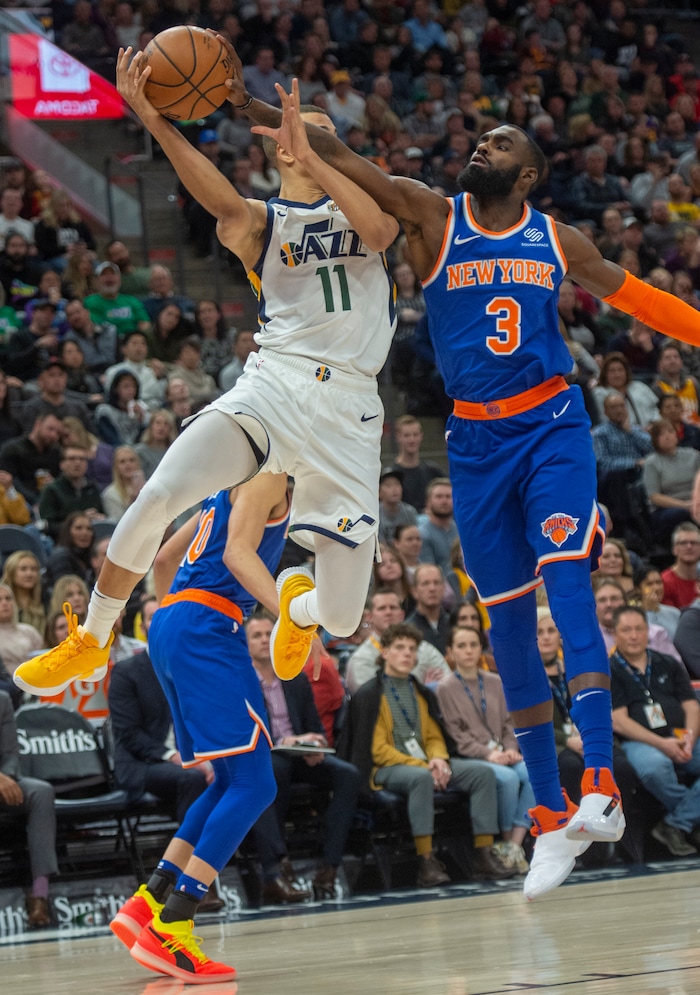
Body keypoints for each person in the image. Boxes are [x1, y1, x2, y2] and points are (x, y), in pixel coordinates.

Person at [227, 75, 700, 902]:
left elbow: (641, 301)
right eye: (484, 138)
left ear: (527, 178)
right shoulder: (430, 215)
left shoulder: (557, 239)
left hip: (552, 426)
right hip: (475, 441)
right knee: (510, 627)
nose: (485, 145)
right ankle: (552, 816)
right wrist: (249, 109)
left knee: (569, 585)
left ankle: (602, 785)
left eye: (504, 145)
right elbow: (335, 145)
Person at [14, 49, 399, 719]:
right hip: (273, 385)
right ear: (274, 151)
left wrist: (320, 157)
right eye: (291, 131)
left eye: (315, 130)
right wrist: (157, 123)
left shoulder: (364, 211)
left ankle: (298, 607)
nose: (300, 137)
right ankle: (94, 635)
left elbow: (380, 229)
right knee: (159, 493)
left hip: (350, 410)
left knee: (341, 617)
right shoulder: (264, 223)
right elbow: (216, 198)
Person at [109, 472, 289, 982]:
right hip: (209, 626)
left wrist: (179, 618)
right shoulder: (273, 477)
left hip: (170, 623)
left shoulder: (222, 492)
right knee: (256, 784)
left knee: (233, 780)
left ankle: (150, 902)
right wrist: (295, 618)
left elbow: (164, 559)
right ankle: (175, 923)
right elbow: (237, 556)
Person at [339, 622, 515, 887]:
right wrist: (425, 765)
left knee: (481, 773)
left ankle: (483, 852)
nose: (407, 654)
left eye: (412, 649)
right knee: (420, 778)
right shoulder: (369, 694)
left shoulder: (419, 691)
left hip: (424, 763)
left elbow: (434, 736)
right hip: (386, 767)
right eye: (399, 648)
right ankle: (427, 861)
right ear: (384, 652)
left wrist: (439, 760)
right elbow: (378, 750)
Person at [246, 612, 361, 903]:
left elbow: (314, 727)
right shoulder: (241, 682)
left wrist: (315, 745)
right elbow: (248, 734)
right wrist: (288, 741)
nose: (263, 641)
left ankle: (330, 866)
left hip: (300, 756)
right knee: (274, 769)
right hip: (263, 757)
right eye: (256, 636)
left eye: (267, 635)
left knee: (347, 774)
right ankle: (276, 866)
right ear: (245, 644)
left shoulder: (293, 677)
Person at [437, 626, 534, 874]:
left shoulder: (496, 681)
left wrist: (511, 748)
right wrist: (489, 754)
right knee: (509, 778)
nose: (468, 651)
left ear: (481, 648)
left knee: (533, 772)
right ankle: (503, 839)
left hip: (504, 751)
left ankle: (514, 843)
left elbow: (509, 723)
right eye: (461, 646)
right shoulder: (445, 687)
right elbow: (455, 734)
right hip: (474, 756)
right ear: (450, 652)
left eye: (473, 644)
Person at [610, 605, 700, 858]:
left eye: (639, 628)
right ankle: (689, 820)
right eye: (626, 630)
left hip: (684, 737)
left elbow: (692, 705)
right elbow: (619, 721)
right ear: (615, 633)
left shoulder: (668, 663)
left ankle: (675, 823)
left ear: (648, 631)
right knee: (653, 768)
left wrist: (689, 740)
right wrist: (663, 745)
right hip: (639, 742)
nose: (634, 635)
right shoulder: (610, 670)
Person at [0, 689, 58, 928]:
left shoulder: (2, 699)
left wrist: (5, 775)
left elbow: (11, 753)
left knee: (40, 792)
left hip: (4, 781)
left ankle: (40, 895)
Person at [345, 588, 450, 693]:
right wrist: (425, 691)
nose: (388, 612)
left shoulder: (424, 649)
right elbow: (371, 699)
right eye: (382, 608)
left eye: (393, 607)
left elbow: (448, 686)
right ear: (370, 616)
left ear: (402, 615)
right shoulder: (362, 659)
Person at [642, 419, 700, 543]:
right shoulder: (651, 462)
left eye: (670, 431)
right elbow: (654, 497)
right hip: (666, 509)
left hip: (695, 502)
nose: (667, 436)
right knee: (682, 513)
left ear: (676, 434)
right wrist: (684, 505)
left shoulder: (693, 455)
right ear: (654, 439)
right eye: (661, 434)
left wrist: (695, 503)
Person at [38, 447, 104, 541]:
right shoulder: (52, 490)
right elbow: (48, 526)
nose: (77, 463)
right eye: (72, 459)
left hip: (93, 541)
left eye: (82, 459)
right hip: (63, 543)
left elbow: (102, 513)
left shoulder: (92, 488)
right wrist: (80, 520)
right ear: (62, 464)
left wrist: (100, 518)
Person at [0, 411, 63, 507]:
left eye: (58, 433)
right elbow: (11, 482)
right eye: (50, 429)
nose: (53, 435)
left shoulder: (56, 453)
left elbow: (61, 480)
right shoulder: (12, 449)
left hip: (48, 501)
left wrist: (54, 483)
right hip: (17, 503)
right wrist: (35, 501)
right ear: (38, 424)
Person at [389, 414, 443, 512]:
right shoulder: (391, 474)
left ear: (421, 436)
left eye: (415, 435)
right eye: (407, 435)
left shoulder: (434, 472)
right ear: (398, 437)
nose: (412, 440)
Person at [406, 563, 452, 655]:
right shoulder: (407, 629)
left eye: (436, 583)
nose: (432, 588)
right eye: (425, 583)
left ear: (443, 588)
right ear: (414, 591)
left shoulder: (454, 624)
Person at [417, 478, 459, 574]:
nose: (444, 501)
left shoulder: (460, 531)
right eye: (439, 497)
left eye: (448, 496)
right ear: (428, 501)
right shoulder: (422, 534)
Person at [0, 584, 43, 677]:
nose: (4, 603)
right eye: (0, 599)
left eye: (8, 598)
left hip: (35, 680)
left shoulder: (29, 631)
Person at [1, 551, 45, 636]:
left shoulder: (45, 599)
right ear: (11, 572)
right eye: (23, 569)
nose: (29, 574)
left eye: (34, 569)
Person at [662, 522, 700, 609]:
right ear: (674, 549)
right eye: (683, 543)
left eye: (694, 543)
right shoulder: (665, 582)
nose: (689, 547)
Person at [377, 466, 417, 545]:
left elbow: (414, 539)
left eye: (397, 484)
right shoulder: (375, 514)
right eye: (388, 485)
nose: (394, 489)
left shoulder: (410, 512)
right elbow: (380, 545)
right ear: (379, 492)